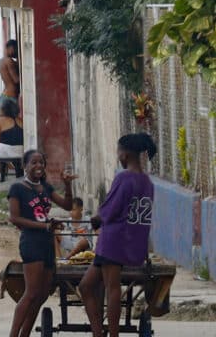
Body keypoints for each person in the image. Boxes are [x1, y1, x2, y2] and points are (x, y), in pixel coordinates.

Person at [79, 133, 156, 337]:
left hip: (114, 240)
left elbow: (110, 209)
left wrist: (97, 219)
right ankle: (98, 333)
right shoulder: (147, 182)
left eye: (119, 152)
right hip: (131, 241)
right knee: (85, 286)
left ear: (126, 154)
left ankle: (112, 334)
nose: (118, 157)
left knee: (112, 288)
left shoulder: (124, 178)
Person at [7, 150, 75, 337]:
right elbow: (14, 218)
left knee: (42, 294)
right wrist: (44, 226)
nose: (38, 166)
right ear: (25, 165)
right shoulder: (17, 188)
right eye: (34, 163)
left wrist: (67, 185)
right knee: (31, 293)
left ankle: (25, 334)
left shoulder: (44, 186)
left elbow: (68, 205)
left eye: (41, 163)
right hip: (31, 242)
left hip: (47, 242)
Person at [0, 98, 25, 183]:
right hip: (21, 151)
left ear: (4, 110)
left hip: (6, 151)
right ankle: (17, 172)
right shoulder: (21, 120)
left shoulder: (0, 121)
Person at [0, 39, 20, 110]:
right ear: (10, 48)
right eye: (16, 49)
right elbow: (16, 80)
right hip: (10, 98)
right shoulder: (9, 61)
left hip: (5, 95)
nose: (17, 52)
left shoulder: (2, 61)